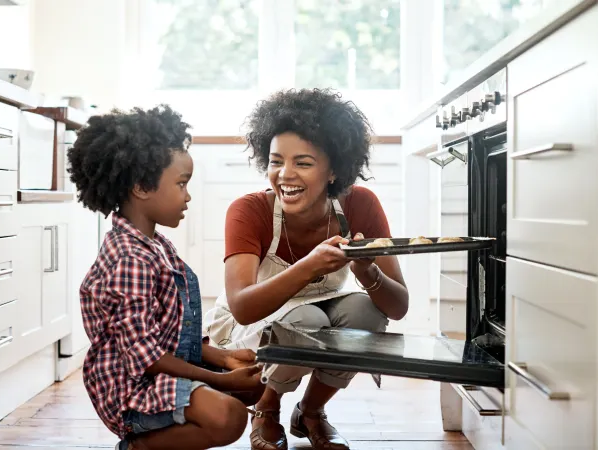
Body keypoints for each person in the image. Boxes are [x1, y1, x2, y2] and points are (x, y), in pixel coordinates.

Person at [203, 88, 410, 450]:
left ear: (333, 171)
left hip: (325, 309)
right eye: (275, 161)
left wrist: (367, 273)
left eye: (303, 162)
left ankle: (311, 411)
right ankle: (267, 409)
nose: (285, 174)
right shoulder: (249, 210)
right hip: (254, 322)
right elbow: (242, 305)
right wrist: (308, 265)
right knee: (307, 321)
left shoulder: (360, 204)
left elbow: (398, 307)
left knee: (366, 312)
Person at [68, 105, 266, 450]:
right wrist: (217, 376)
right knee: (228, 418)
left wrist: (225, 359)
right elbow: (146, 358)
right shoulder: (129, 259)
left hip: (160, 373)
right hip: (132, 390)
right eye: (181, 183)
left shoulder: (155, 244)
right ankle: (139, 446)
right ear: (142, 187)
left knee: (256, 385)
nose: (187, 195)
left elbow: (171, 332)